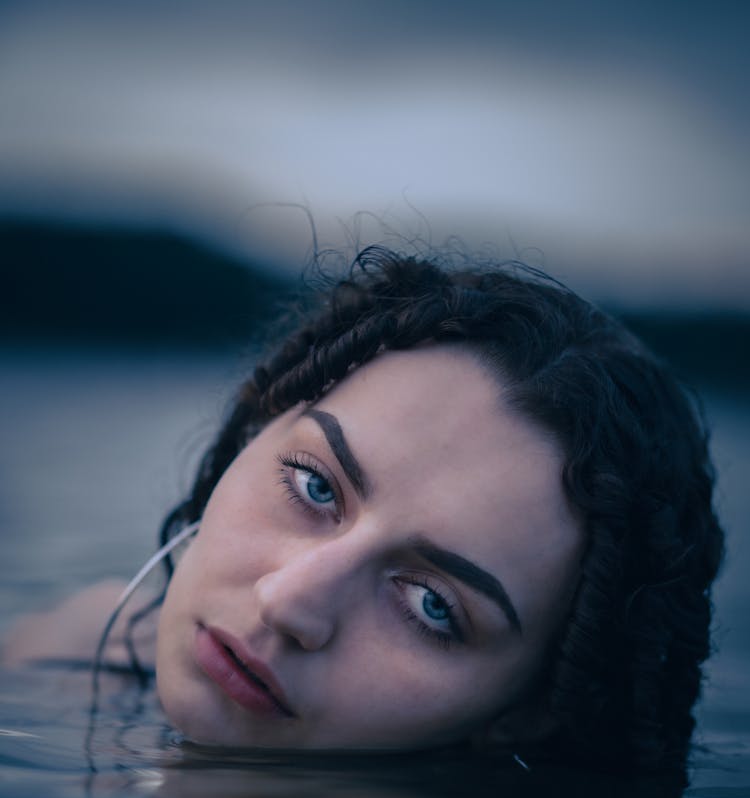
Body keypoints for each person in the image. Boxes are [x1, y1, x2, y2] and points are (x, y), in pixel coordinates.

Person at [2, 248, 724, 768]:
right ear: (255, 434)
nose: (290, 601)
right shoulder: (79, 649)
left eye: (432, 604)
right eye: (316, 485)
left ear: (525, 713)